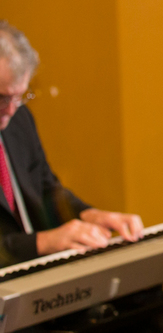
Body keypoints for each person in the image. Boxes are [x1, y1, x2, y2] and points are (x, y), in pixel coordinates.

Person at [0, 21, 144, 268]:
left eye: (20, 96)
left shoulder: (18, 119)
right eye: (2, 97)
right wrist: (42, 242)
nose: (11, 110)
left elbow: (45, 190)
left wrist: (89, 215)